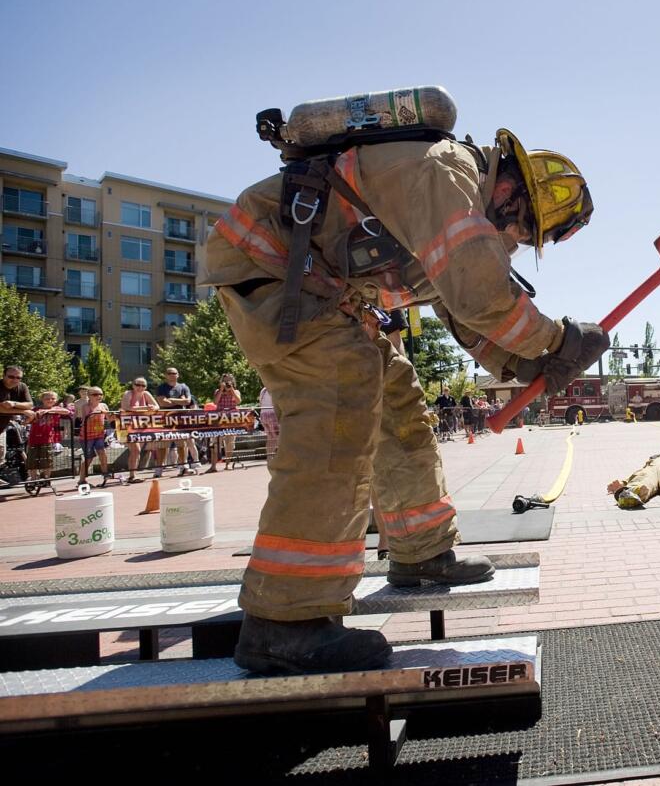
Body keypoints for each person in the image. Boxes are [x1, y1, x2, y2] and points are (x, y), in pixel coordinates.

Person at [203, 117, 606, 674]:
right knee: (339, 414)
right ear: (511, 189)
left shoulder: (454, 194)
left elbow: (455, 302)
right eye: (521, 229)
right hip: (274, 268)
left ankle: (421, 554)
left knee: (399, 406)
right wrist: (559, 338)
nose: (513, 241)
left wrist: (529, 362)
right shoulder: (448, 173)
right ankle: (283, 622)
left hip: (323, 288)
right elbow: (477, 292)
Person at [156, 367, 198, 476]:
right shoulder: (161, 387)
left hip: (180, 419)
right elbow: (162, 403)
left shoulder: (183, 387)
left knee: (182, 444)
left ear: (178, 375)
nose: (172, 375)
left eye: (174, 373)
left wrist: (172, 400)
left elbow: (188, 401)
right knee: (163, 444)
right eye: (169, 373)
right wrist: (180, 400)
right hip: (166, 419)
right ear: (166, 375)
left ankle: (183, 467)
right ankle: (159, 469)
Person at [120, 378, 161, 483]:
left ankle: (132, 474)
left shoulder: (146, 394)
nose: (140, 387)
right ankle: (132, 475)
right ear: (133, 385)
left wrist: (152, 407)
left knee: (136, 452)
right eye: (138, 385)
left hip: (140, 426)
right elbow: (126, 407)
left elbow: (157, 406)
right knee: (136, 450)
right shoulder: (128, 393)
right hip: (126, 425)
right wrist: (145, 408)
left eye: (143, 385)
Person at [26, 391, 71, 485]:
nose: (50, 400)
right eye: (47, 398)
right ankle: (34, 479)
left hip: (48, 439)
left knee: (47, 459)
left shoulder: (56, 408)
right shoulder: (36, 409)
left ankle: (47, 479)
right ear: (42, 399)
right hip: (34, 438)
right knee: (32, 460)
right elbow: (27, 420)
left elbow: (67, 411)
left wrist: (48, 411)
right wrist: (35, 415)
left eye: (52, 399)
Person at [0, 366, 34, 473]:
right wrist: (22, 411)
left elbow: (30, 405)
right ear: (3, 375)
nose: (15, 380)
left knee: (1, 451)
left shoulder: (22, 387)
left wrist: (14, 403)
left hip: (2, 426)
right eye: (11, 376)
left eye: (18, 377)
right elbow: (0, 408)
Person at [76, 387, 111, 487]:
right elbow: (87, 418)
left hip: (99, 434)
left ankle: (105, 473)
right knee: (89, 458)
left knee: (103, 454)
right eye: (95, 394)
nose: (98, 396)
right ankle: (82, 479)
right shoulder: (85, 406)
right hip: (87, 436)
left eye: (100, 394)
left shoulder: (103, 405)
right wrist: (99, 412)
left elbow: (109, 418)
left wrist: (114, 414)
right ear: (89, 396)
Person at [208, 374, 242, 471]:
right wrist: (221, 389)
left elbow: (238, 401)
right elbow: (215, 402)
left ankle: (228, 464)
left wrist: (231, 390)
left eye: (229, 381)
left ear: (233, 382)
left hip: (231, 419)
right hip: (219, 419)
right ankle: (213, 466)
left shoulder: (236, 391)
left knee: (230, 442)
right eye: (225, 381)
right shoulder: (217, 391)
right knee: (215, 442)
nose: (227, 383)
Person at [258, 385, 279, 459]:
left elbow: (260, 403)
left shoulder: (263, 390)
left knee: (270, 437)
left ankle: (269, 457)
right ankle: (280, 456)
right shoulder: (274, 388)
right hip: (272, 413)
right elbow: (276, 402)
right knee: (278, 436)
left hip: (263, 414)